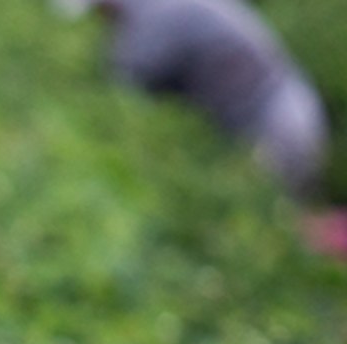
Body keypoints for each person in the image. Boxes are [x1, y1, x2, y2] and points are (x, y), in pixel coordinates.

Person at [78, 0, 329, 198]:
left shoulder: (155, 16)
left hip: (278, 124)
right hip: (293, 108)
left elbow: (125, 79)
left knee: (263, 214)